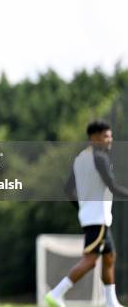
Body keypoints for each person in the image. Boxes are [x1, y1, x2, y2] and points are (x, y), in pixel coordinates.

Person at [46, 120, 128, 307]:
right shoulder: (100, 158)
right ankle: (56, 294)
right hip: (98, 218)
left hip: (93, 217)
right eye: (107, 136)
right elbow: (113, 187)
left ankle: (111, 302)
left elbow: (68, 190)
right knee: (90, 260)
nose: (110, 140)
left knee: (109, 257)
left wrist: (82, 208)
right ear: (95, 137)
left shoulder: (80, 158)